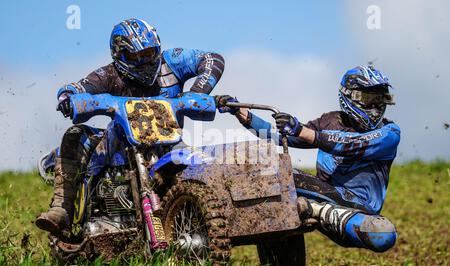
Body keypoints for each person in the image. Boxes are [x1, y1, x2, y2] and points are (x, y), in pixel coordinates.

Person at [36, 18, 225, 236]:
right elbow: (75, 87)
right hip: (120, 143)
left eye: (148, 54)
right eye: (135, 57)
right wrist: (67, 97)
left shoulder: (172, 61)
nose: (144, 61)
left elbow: (212, 59)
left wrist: (198, 93)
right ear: (119, 56)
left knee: (198, 167)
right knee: (75, 134)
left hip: (169, 142)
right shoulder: (107, 75)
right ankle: (61, 209)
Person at [217, 65, 400, 252]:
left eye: (381, 99)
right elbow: (282, 137)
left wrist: (301, 130)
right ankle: (221, 216)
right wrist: (241, 113)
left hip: (359, 210)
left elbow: (348, 143)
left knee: (383, 234)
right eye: (369, 99)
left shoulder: (390, 133)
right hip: (325, 194)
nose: (376, 107)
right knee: (275, 174)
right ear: (349, 96)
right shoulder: (330, 121)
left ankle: (313, 209)